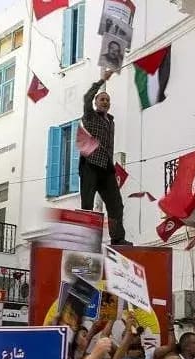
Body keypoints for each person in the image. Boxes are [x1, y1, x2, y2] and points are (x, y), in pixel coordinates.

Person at [81, 69, 129, 245]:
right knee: (87, 204)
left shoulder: (111, 121)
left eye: (107, 100)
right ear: (95, 102)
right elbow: (87, 97)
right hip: (90, 164)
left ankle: (117, 238)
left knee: (116, 204)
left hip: (107, 167)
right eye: (102, 99)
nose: (105, 102)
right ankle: (85, 239)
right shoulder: (90, 116)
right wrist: (102, 80)